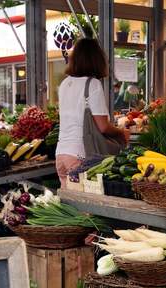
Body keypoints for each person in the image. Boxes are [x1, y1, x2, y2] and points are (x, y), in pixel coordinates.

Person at [56, 38, 130, 188]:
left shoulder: (64, 84)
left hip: (61, 154)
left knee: (69, 206)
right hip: (80, 155)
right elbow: (102, 127)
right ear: (97, 59)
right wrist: (121, 133)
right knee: (86, 208)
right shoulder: (92, 84)